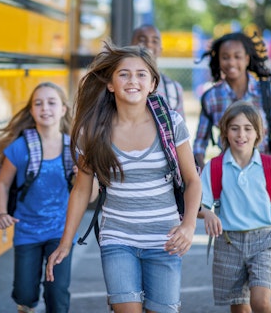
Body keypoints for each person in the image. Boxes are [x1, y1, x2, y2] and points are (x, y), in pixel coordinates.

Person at [46, 42, 202, 313]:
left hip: (165, 240)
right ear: (110, 84)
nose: (133, 80)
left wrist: (188, 226)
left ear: (153, 83)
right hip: (118, 239)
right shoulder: (93, 131)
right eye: (124, 74)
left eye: (141, 74)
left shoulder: (171, 123)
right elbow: (82, 191)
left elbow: (192, 180)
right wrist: (65, 242)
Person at [198, 100, 271, 313]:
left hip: (265, 241)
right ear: (225, 133)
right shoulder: (214, 167)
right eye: (234, 128)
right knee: (240, 307)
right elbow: (198, 206)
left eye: (247, 129)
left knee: (260, 302)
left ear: (258, 133)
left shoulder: (270, 166)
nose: (241, 134)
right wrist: (208, 214)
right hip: (229, 242)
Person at [0, 82, 75, 313]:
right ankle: (25, 307)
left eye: (51, 102)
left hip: (61, 231)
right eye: (38, 103)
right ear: (31, 111)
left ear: (63, 110)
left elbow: (90, 196)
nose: (45, 108)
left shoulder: (74, 148)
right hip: (26, 231)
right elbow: (3, 183)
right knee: (25, 293)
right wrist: (2, 213)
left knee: (57, 293)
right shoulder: (21, 147)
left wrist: (83, 177)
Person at [193, 32, 271, 168]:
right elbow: (200, 143)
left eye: (237, 56)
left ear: (247, 59)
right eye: (225, 57)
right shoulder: (211, 97)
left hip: (263, 175)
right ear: (218, 60)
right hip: (227, 175)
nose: (231, 62)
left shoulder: (266, 92)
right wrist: (204, 171)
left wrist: (268, 164)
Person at [131, 24, 186, 120]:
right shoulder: (119, 84)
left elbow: (179, 130)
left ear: (160, 49)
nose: (149, 44)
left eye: (154, 41)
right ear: (131, 45)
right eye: (142, 40)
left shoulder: (173, 89)